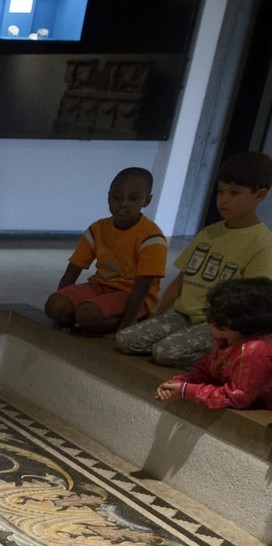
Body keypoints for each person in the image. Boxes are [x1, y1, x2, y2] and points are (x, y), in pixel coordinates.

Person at [116, 151, 272, 367]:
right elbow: (181, 279)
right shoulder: (209, 232)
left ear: (259, 195)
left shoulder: (262, 242)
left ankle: (229, 360)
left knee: (165, 352)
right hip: (183, 316)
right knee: (126, 339)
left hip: (219, 325)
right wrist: (156, 313)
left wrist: (232, 333)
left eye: (235, 193)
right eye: (221, 191)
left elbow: (255, 300)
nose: (224, 200)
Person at [45, 166, 168, 335]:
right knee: (55, 306)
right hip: (101, 286)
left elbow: (142, 289)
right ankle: (90, 318)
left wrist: (124, 327)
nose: (123, 204)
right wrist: (60, 312)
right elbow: (72, 271)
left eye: (133, 198)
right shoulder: (98, 229)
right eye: (117, 197)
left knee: (87, 315)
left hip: (132, 295)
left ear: (147, 200)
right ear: (108, 196)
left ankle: (134, 320)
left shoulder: (152, 237)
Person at [154, 276, 272, 410]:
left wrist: (186, 390)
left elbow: (238, 397)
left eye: (214, 312)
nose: (209, 318)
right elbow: (205, 370)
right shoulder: (223, 340)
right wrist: (181, 381)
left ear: (234, 320)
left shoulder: (254, 350)